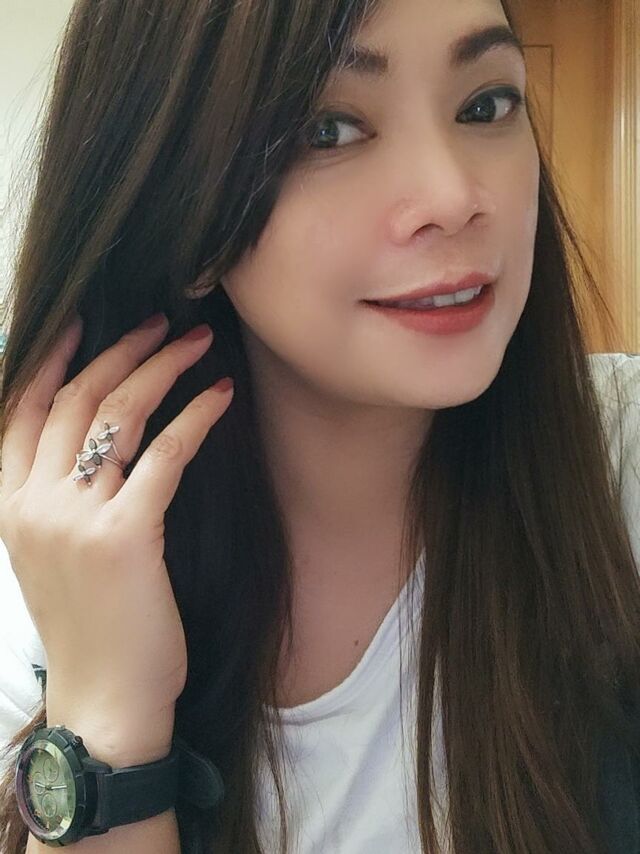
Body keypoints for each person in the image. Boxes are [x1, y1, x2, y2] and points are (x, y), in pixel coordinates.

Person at [0, 0, 639, 851]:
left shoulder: (620, 461)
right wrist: (105, 720)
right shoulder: (54, 577)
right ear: (186, 216)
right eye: (328, 130)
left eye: (485, 105)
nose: (454, 197)